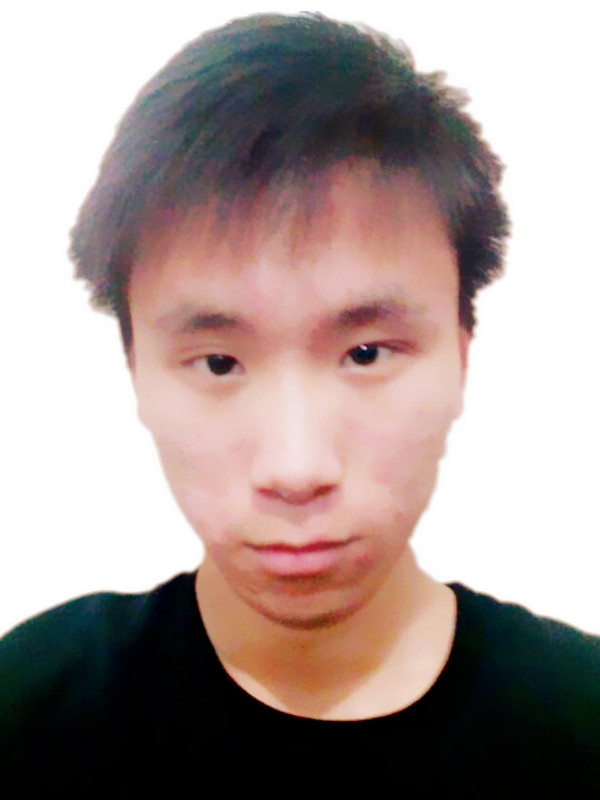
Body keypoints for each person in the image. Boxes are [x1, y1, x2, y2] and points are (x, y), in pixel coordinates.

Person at [1, 11, 598, 794]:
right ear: (134, 368)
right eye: (219, 363)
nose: (295, 468)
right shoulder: (30, 708)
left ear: (462, 352)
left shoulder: (581, 718)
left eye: (366, 353)